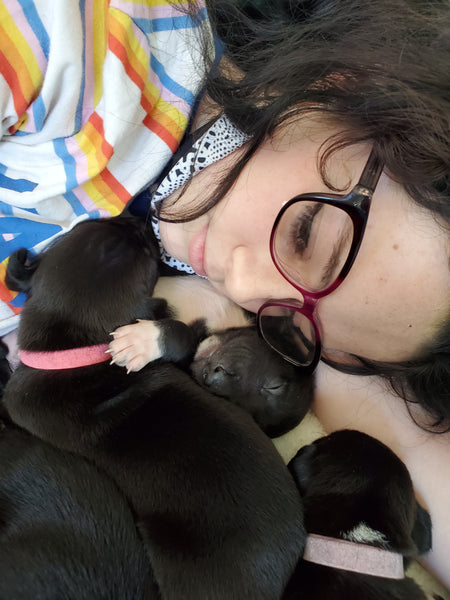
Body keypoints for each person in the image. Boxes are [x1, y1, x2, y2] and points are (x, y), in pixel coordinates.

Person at [1, 0, 449, 591]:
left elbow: (410, 443)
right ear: (353, 85)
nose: (240, 286)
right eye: (304, 235)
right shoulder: (83, 52)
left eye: (283, 320)